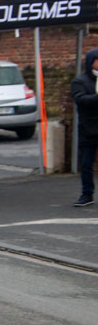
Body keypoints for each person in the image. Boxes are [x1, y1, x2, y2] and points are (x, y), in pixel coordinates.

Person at [70, 48, 98, 207]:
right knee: (86, 164)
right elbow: (80, 99)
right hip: (88, 127)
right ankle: (87, 194)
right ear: (91, 62)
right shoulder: (80, 81)